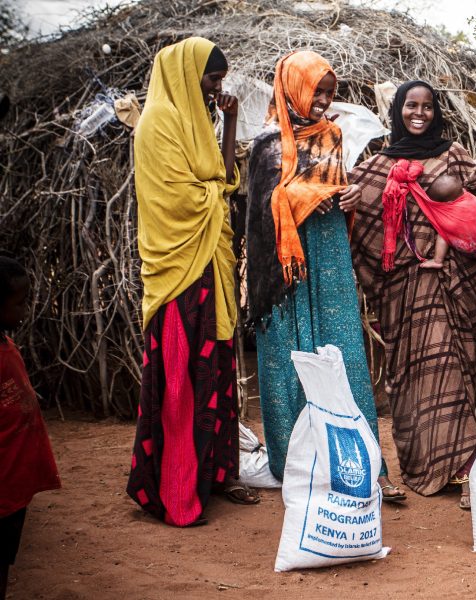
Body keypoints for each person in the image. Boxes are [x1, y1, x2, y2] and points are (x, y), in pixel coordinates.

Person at [346, 79, 476, 508]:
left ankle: (462, 464)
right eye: (411, 106)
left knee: (450, 366)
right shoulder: (377, 166)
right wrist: (341, 202)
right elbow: (355, 213)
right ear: (398, 111)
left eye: (426, 106)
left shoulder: (454, 156)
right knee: (414, 374)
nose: (419, 113)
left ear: (436, 112)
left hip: (451, 283)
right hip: (404, 289)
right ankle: (427, 461)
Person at [245, 51, 405, 502]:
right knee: (290, 356)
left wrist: (349, 193)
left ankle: (369, 466)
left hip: (330, 254)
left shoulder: (332, 136)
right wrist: (312, 194)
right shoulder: (266, 144)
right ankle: (297, 467)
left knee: (343, 353)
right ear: (294, 87)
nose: (323, 100)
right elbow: (260, 210)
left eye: (330, 93)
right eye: (317, 90)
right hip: (285, 267)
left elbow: (336, 189)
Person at [127, 38, 259, 528]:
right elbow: (182, 200)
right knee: (183, 376)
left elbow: (224, 179)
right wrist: (215, 193)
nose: (217, 89)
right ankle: (177, 489)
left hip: (208, 266)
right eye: (211, 80)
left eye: (221, 81)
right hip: (179, 269)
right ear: (184, 75)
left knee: (216, 372)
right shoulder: (158, 123)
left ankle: (213, 475)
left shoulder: (199, 118)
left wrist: (226, 122)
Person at [0, 257, 61, 599]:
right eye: (20, 303)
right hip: (3, 484)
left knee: (6, 561)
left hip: (14, 483)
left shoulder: (7, 345)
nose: (25, 311)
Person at [418, 173, 464, 269]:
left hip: (472, 247)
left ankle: (437, 261)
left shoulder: (450, 215)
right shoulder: (467, 195)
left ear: (448, 203)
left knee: (442, 233)